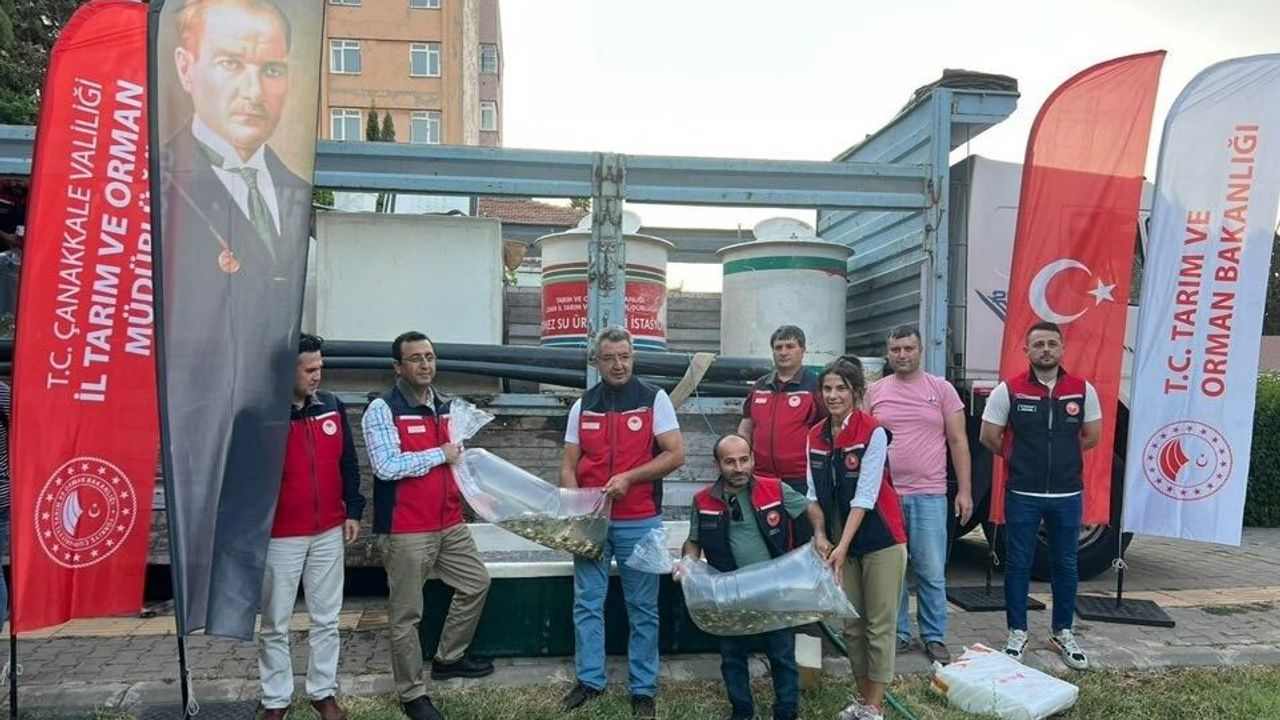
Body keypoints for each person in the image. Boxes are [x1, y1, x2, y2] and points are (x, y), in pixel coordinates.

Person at [159, 0, 317, 638]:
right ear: (185, 67)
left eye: (271, 69)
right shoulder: (157, 186)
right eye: (231, 63)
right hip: (198, 424)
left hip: (268, 423)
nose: (254, 89)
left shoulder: (296, 190)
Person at [362, 332, 494, 720]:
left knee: (476, 582)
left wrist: (475, 493)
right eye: (415, 358)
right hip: (406, 528)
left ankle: (448, 658)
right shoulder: (383, 409)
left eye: (430, 357)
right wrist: (440, 454)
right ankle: (412, 693)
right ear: (398, 367)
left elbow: (456, 462)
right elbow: (386, 466)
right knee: (407, 615)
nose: (425, 365)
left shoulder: (446, 406)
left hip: (449, 522)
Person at [558, 326, 685, 719]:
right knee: (587, 602)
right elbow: (568, 465)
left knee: (643, 606)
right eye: (610, 357)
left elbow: (675, 454)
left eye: (625, 356)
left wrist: (631, 477)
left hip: (639, 519)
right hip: (593, 520)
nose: (618, 364)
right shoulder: (584, 405)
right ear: (596, 361)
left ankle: (643, 688)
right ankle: (590, 681)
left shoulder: (653, 399)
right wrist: (577, 511)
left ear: (633, 357)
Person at [680, 434, 831, 720]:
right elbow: (693, 541)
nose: (738, 468)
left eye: (743, 460)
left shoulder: (775, 489)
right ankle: (741, 710)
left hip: (773, 589)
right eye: (730, 462)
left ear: (752, 459)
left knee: (782, 654)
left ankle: (786, 710)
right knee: (732, 657)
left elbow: (811, 508)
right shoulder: (702, 500)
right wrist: (688, 562)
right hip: (728, 592)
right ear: (717, 465)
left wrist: (820, 535)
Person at [979, 321, 1100, 671]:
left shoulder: (1082, 390)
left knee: (1066, 563)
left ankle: (1063, 632)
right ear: (1027, 351)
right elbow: (989, 437)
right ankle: (1017, 633)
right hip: (1023, 493)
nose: (1045, 349)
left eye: (1051, 343)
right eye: (1038, 344)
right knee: (1018, 564)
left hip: (1067, 494)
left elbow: (1092, 436)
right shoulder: (1009, 390)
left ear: (1062, 349)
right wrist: (1020, 460)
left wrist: (1061, 459)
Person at [257, 334, 365, 720]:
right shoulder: (259, 415)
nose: (318, 375)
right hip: (280, 535)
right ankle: (276, 699)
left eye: (320, 367)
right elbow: (245, 477)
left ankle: (323, 692)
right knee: (275, 622)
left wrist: (353, 510)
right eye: (310, 369)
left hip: (328, 531)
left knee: (327, 618)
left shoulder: (332, 406)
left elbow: (348, 462)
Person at [866, 325, 972, 664]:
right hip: (886, 496)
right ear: (888, 353)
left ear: (920, 350)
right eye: (896, 349)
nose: (902, 355)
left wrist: (965, 491)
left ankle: (934, 636)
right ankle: (898, 634)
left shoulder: (941, 390)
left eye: (909, 348)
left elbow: (958, 441)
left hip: (929, 494)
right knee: (892, 571)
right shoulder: (875, 392)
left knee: (931, 570)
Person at [809, 357, 907, 720]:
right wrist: (821, 535)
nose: (833, 395)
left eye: (841, 389)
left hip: (881, 540)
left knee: (878, 625)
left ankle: (875, 707)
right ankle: (865, 701)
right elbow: (811, 496)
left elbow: (865, 496)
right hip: (841, 543)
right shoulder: (815, 436)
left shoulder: (873, 431)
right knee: (852, 626)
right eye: (827, 388)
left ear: (856, 392)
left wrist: (842, 546)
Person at [737, 325, 824, 545]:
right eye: (778, 347)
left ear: (803, 350)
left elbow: (827, 431)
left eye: (790, 346)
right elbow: (746, 426)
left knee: (804, 542)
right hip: (763, 480)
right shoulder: (760, 386)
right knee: (769, 540)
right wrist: (742, 458)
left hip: (801, 481)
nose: (784, 352)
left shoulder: (815, 386)